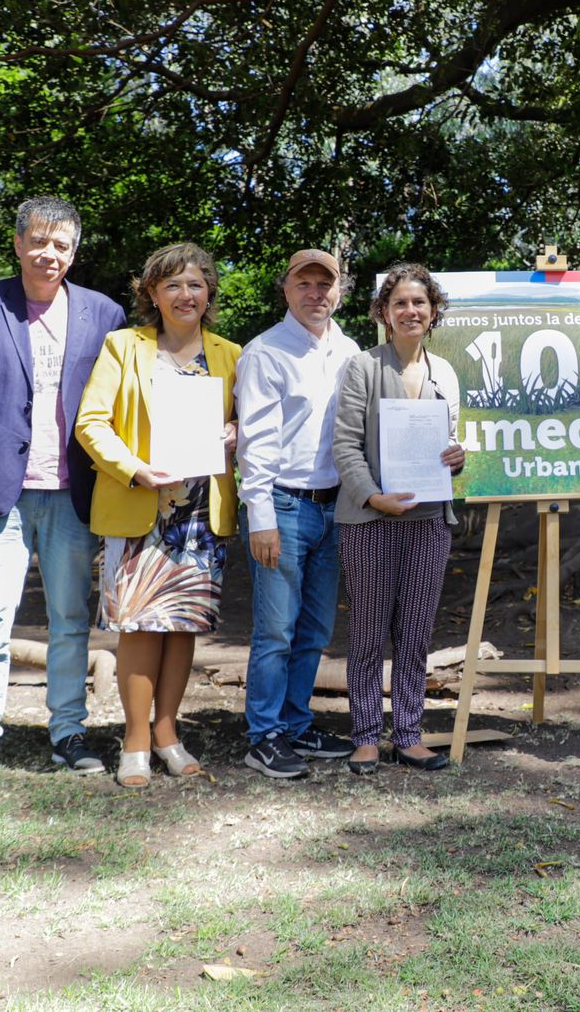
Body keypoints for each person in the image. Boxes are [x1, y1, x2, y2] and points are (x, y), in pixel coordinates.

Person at [0, 196, 126, 791]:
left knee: (71, 619)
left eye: (62, 245)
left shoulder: (104, 313)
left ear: (74, 252)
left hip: (74, 493)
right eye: (39, 242)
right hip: (3, 492)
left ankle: (69, 733)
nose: (49, 254)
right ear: (19, 243)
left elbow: (124, 403)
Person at [76, 243, 240, 788]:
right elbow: (92, 424)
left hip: (200, 511)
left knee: (183, 625)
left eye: (194, 284)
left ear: (209, 293)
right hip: (140, 505)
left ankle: (168, 734)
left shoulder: (231, 355)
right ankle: (136, 740)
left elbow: (248, 424)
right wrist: (135, 470)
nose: (184, 294)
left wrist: (236, 434)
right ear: (151, 293)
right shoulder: (123, 347)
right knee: (140, 628)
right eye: (171, 285)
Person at [331, 264, 467, 774]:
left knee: (415, 630)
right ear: (384, 314)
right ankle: (366, 735)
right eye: (400, 304)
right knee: (368, 630)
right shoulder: (363, 367)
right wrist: (373, 497)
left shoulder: (445, 373)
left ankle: (408, 734)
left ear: (433, 312)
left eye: (420, 303)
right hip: (370, 519)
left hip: (429, 517)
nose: (411, 311)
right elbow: (344, 445)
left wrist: (458, 457)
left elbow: (451, 442)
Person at [235, 250, 361, 778]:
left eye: (324, 284)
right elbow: (255, 442)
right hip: (283, 505)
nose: (315, 293)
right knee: (277, 630)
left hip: (336, 506)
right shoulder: (265, 353)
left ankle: (296, 723)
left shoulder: (351, 350)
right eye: (303, 283)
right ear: (286, 290)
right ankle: (263, 735)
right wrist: (260, 513)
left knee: (314, 629)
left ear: (340, 290)